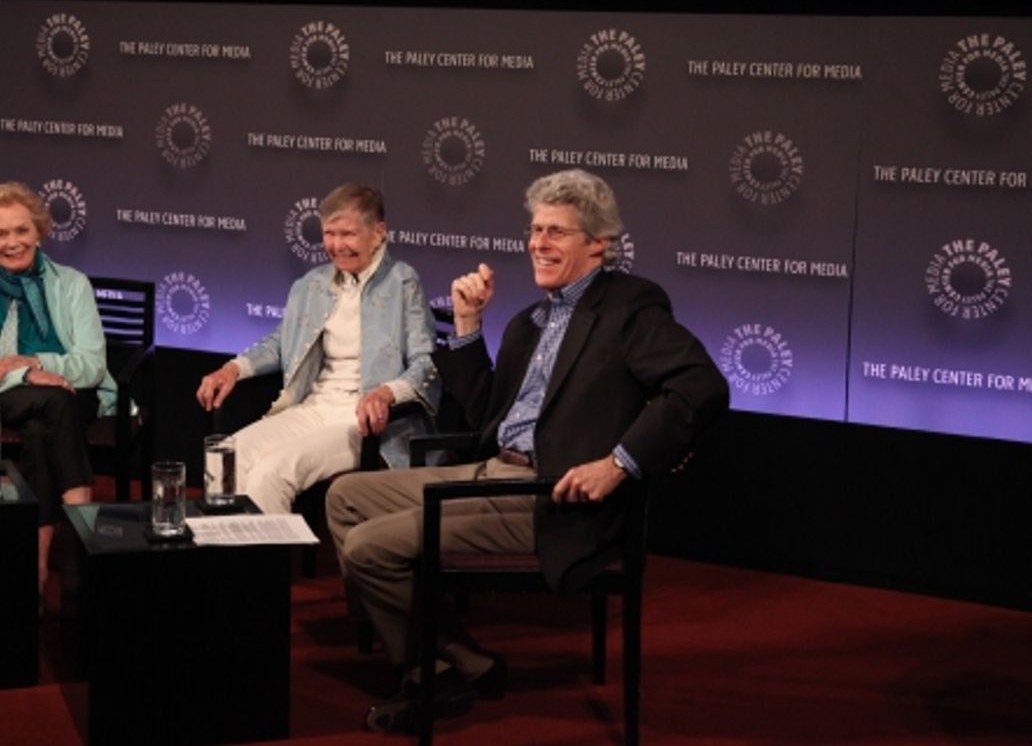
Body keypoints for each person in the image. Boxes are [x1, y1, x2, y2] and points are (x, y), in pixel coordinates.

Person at [327, 168, 729, 732]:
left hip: (549, 498)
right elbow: (486, 415)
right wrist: (468, 326)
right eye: (536, 229)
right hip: (494, 471)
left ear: (599, 244)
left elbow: (700, 386)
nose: (538, 243)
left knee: (370, 547)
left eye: (557, 232)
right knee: (345, 497)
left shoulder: (630, 309)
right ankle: (458, 663)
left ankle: (432, 670)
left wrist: (619, 464)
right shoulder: (530, 321)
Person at [195, 183, 440, 515]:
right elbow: (281, 342)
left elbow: (426, 365)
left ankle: (269, 565)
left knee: (271, 473)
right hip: (313, 407)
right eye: (329, 234)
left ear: (379, 232)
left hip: (363, 422)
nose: (337, 246)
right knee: (226, 458)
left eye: (348, 234)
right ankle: (228, 558)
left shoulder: (403, 282)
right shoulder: (311, 284)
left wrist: (386, 392)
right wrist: (233, 369)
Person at [0, 181, 116, 606]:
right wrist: (26, 377)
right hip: (4, 396)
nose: (12, 242)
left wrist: (38, 364)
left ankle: (36, 569)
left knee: (43, 426)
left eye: (21, 230)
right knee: (51, 404)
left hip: (74, 389)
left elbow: (92, 365)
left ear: (38, 232)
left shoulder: (73, 284)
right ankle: (80, 553)